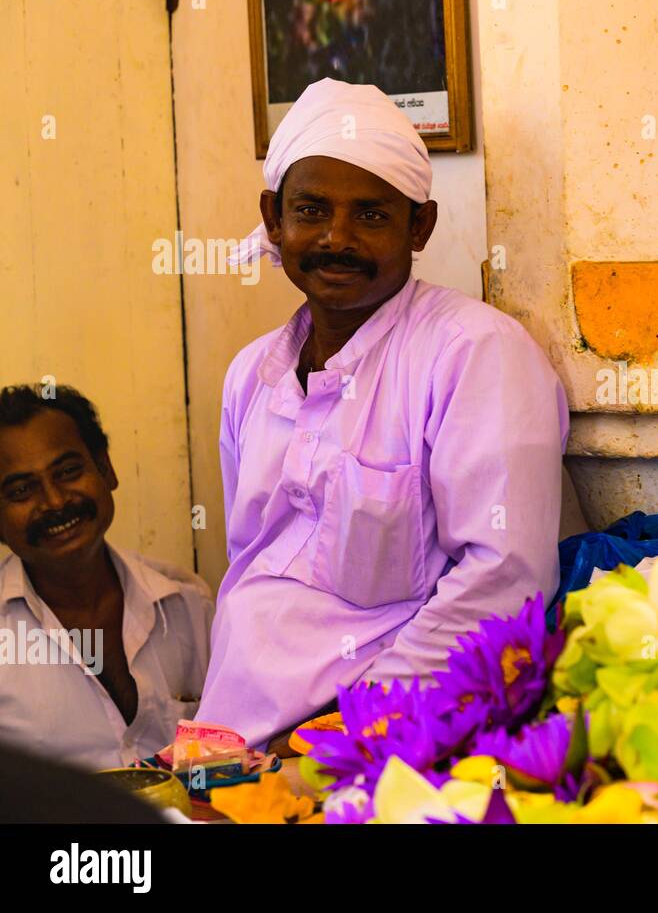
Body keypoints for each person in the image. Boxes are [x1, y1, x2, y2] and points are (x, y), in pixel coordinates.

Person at [197, 78, 570, 748]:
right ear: (274, 218)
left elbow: (504, 583)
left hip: (376, 745)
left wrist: (344, 732)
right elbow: (248, 564)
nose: (336, 238)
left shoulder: (474, 353)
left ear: (418, 225)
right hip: (228, 737)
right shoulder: (250, 375)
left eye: (370, 215)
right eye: (311, 211)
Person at [0, 384, 212, 771]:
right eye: (21, 490)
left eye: (67, 471)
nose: (54, 501)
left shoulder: (187, 605)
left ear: (106, 469)